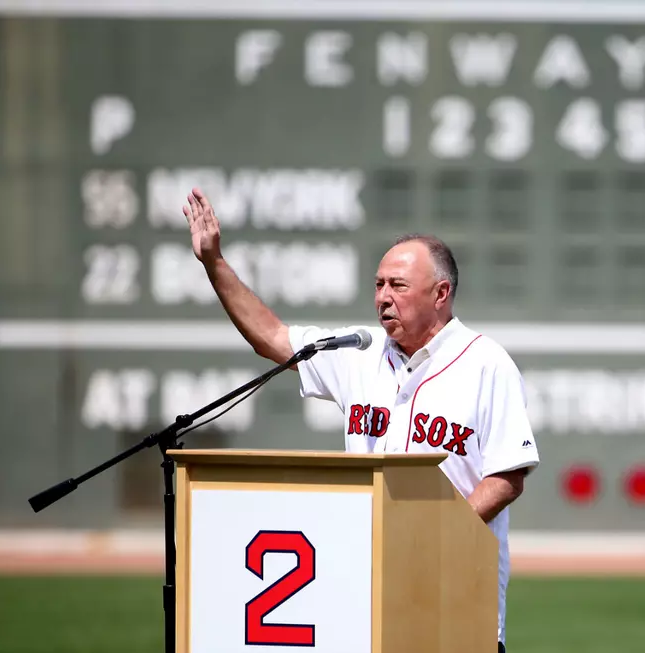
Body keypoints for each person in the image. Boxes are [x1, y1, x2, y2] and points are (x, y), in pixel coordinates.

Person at [183, 187, 539, 652]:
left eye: (398, 285)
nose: (383, 297)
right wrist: (215, 264)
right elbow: (271, 336)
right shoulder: (359, 352)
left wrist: (437, 535)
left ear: (441, 293)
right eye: (378, 285)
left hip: (455, 589)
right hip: (363, 592)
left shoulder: (486, 363)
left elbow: (508, 475)